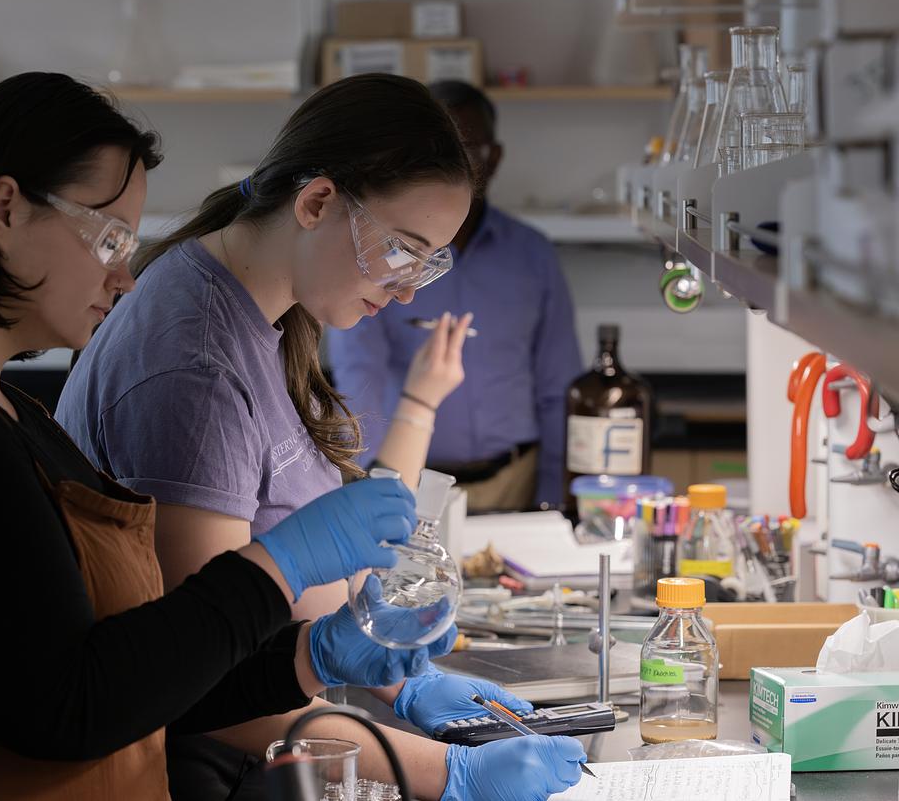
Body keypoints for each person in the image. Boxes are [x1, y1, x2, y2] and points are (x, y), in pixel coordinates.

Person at [0, 72, 461, 800]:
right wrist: (279, 566)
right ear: (6, 209)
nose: (124, 277)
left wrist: (312, 657)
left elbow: (143, 684)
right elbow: (69, 710)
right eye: (109, 238)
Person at [56, 73, 587, 801]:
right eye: (401, 250)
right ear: (316, 203)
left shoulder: (268, 314)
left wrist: (404, 680)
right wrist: (447, 773)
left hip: (275, 729)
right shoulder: (193, 366)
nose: (408, 289)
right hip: (203, 767)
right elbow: (208, 686)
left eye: (430, 263)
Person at [327, 79, 583, 513]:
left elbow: (558, 386)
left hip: (513, 481)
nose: (451, 168)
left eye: (467, 151)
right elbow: (359, 376)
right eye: (434, 154)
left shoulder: (533, 256)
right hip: (409, 478)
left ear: (493, 158)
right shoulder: (377, 256)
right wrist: (370, 487)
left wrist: (554, 496)